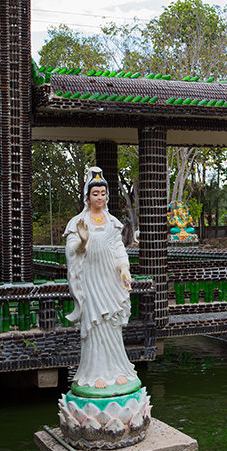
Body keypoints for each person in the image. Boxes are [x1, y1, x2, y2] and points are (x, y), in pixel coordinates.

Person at [64, 167, 139, 391]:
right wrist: (82, 242)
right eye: (95, 193)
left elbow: (118, 248)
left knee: (111, 324)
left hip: (109, 278)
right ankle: (95, 372)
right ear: (87, 197)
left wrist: (124, 270)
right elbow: (70, 249)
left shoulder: (112, 222)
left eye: (103, 193)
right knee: (95, 324)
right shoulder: (78, 222)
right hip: (90, 279)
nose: (99, 197)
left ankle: (117, 370)